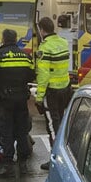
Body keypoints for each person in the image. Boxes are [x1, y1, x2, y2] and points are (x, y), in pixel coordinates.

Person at [0, 28, 35, 176]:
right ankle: (23, 164)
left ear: (3, 39)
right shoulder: (26, 56)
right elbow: (32, 75)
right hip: (21, 99)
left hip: (5, 101)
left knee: (6, 132)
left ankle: (8, 164)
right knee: (21, 130)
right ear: (16, 39)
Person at [34, 16, 71, 170]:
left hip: (53, 92)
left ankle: (56, 160)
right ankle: (67, 156)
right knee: (62, 123)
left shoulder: (44, 48)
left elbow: (43, 76)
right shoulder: (63, 42)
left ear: (42, 30)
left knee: (52, 125)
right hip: (65, 88)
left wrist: (39, 97)